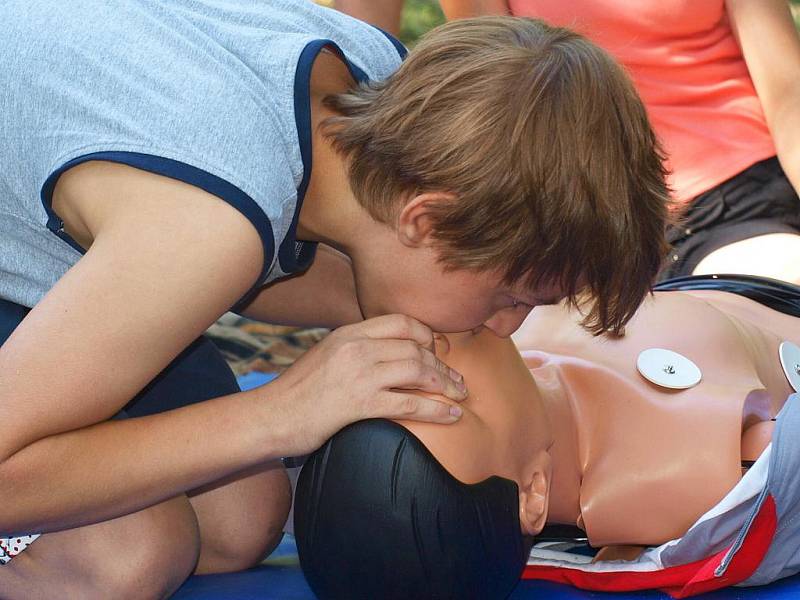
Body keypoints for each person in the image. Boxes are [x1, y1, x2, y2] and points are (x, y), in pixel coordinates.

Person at [0, 3, 669, 596]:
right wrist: (280, 414)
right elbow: (215, 244)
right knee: (127, 556)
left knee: (240, 519)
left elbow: (283, 258)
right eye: (508, 298)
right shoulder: (207, 226)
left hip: (47, 213)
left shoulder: (379, 88)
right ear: (426, 220)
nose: (503, 329)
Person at [295, 275, 800, 598]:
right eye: (454, 399)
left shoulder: (484, 309)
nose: (432, 346)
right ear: (533, 491)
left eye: (400, 377)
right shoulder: (689, 473)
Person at [440, 0, 800, 285]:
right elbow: (497, 100)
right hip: (586, 217)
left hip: (735, 200)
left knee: (779, 282)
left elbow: (790, 94)